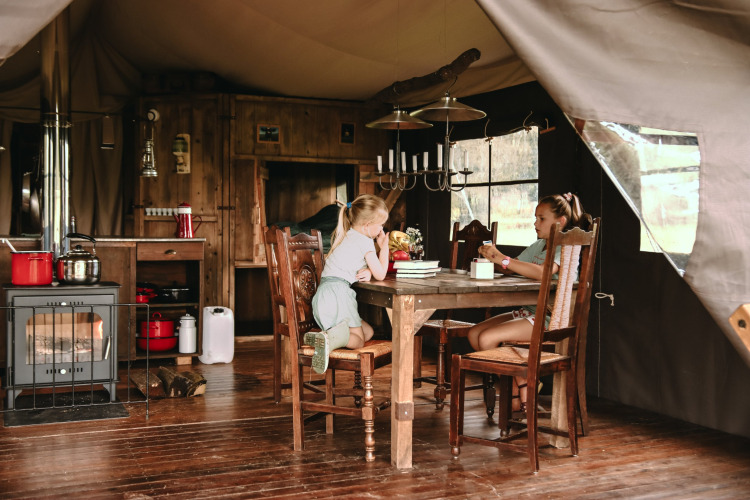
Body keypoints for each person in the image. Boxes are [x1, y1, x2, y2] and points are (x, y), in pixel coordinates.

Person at [467, 192, 591, 411]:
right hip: (530, 312)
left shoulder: (565, 246)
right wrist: (493, 257)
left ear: (561, 221)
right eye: (535, 218)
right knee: (474, 333)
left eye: (541, 218)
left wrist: (502, 259)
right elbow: (513, 266)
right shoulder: (540, 245)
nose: (535, 223)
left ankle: (523, 390)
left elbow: (544, 272)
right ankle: (523, 385)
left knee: (486, 339)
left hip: (551, 318)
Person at [304, 194, 390, 373]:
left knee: (368, 332)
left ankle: (329, 338)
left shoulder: (347, 234)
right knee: (358, 341)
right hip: (339, 295)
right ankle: (328, 339)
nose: (382, 229)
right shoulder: (365, 241)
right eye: (381, 224)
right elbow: (381, 274)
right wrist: (384, 247)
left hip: (325, 297)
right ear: (367, 225)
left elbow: (355, 265)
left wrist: (368, 270)